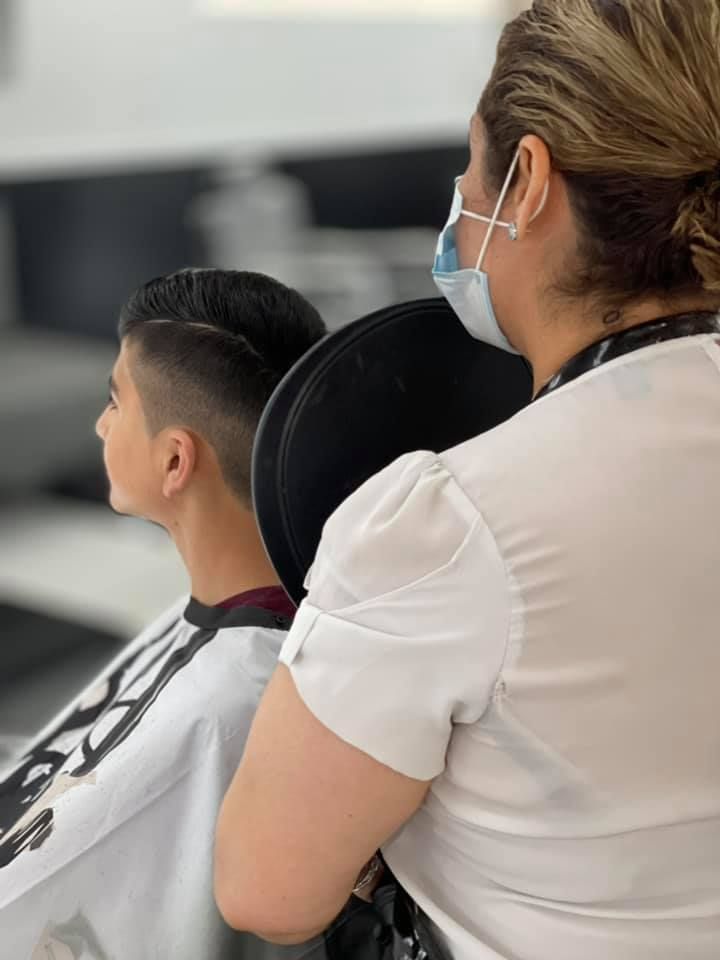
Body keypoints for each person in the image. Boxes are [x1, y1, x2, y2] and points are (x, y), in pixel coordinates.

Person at [214, 2, 720, 958]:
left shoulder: (447, 523)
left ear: (525, 180)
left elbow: (267, 890)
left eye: (472, 163)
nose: (460, 193)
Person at [0, 268, 325, 959]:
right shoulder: (232, 623)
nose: (100, 423)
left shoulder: (231, 703)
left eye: (116, 403)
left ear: (176, 460)